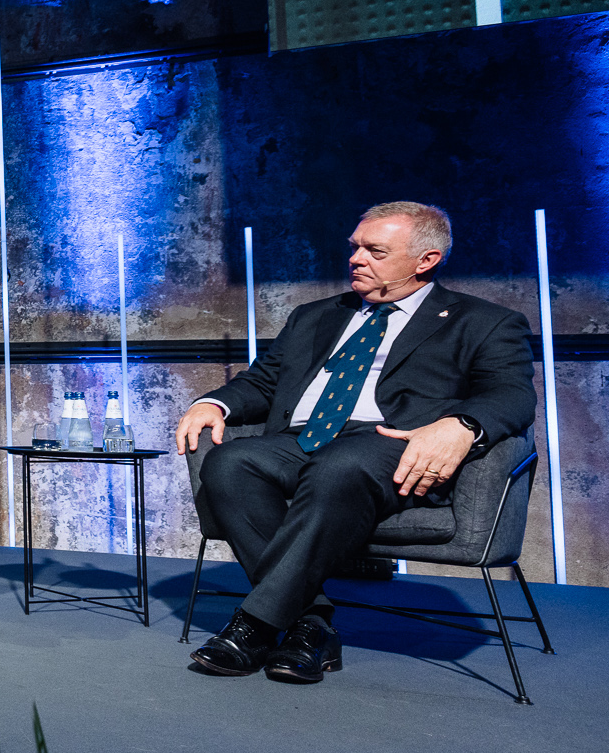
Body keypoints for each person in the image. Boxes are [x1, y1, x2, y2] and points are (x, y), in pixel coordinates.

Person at [175, 202, 535, 683]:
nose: (356, 259)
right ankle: (311, 625)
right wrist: (213, 403)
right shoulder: (314, 316)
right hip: (303, 439)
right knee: (230, 462)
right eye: (355, 247)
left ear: (425, 260)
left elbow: (512, 394)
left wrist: (462, 424)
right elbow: (263, 382)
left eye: (375, 251)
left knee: (341, 465)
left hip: (390, 443)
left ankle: (254, 625)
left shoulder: (484, 321)